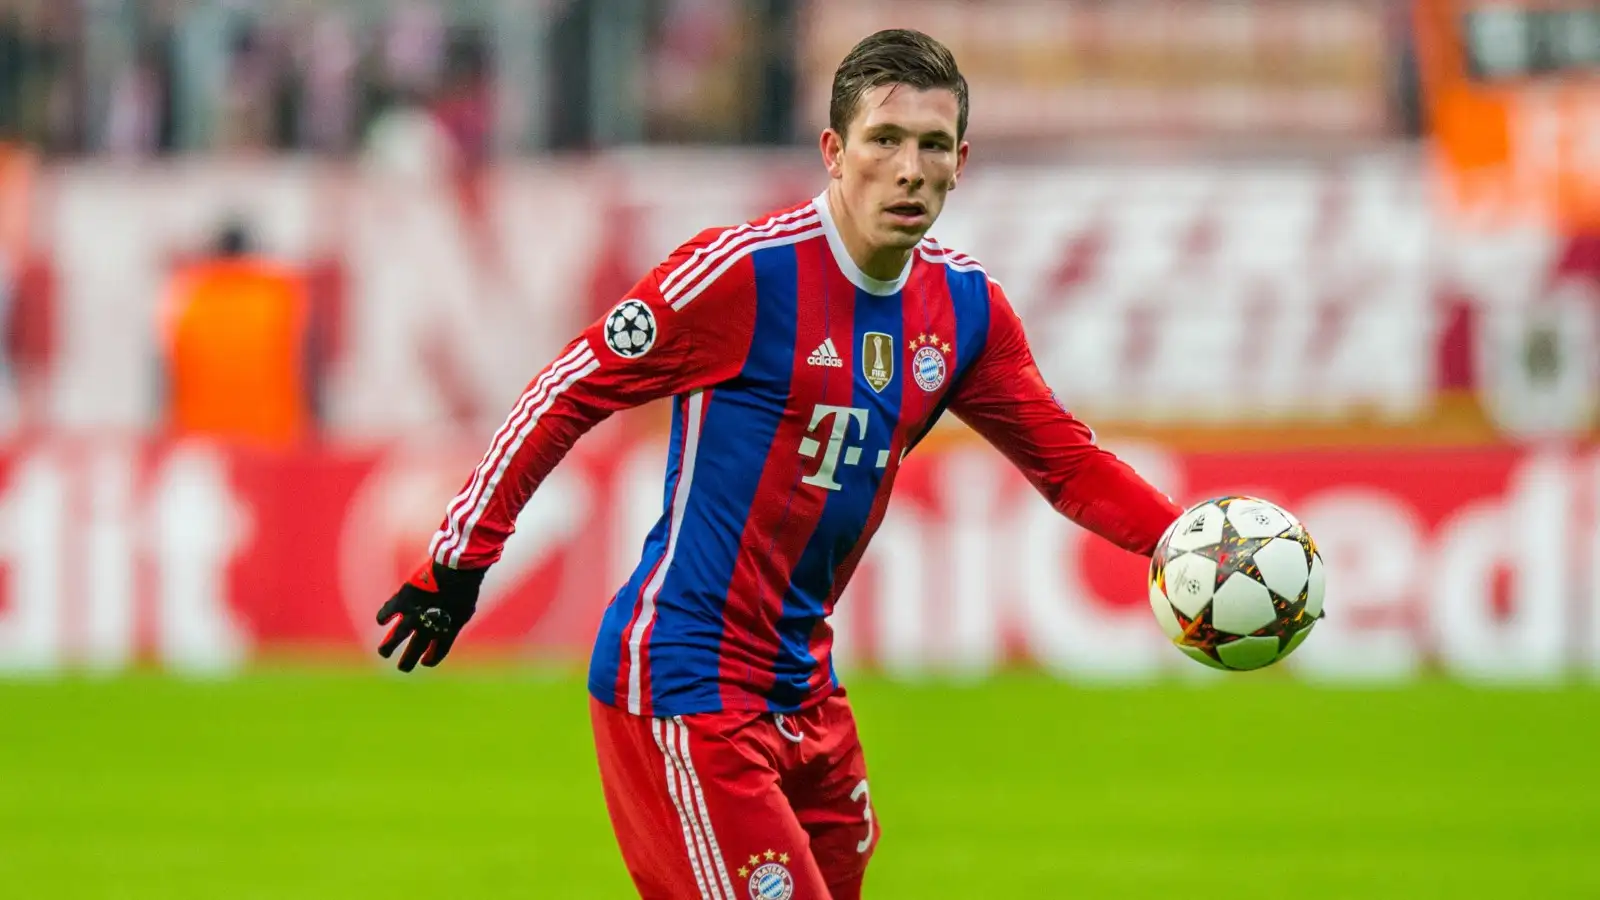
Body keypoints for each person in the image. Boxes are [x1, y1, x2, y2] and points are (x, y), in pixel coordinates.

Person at [376, 29, 1183, 900]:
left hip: (805, 688)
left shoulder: (965, 309)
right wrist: (460, 557)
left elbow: (1067, 464)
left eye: (932, 146)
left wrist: (1184, 546)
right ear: (834, 152)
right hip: (686, 685)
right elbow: (567, 390)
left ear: (961, 163)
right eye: (884, 140)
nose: (909, 168)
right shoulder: (741, 276)